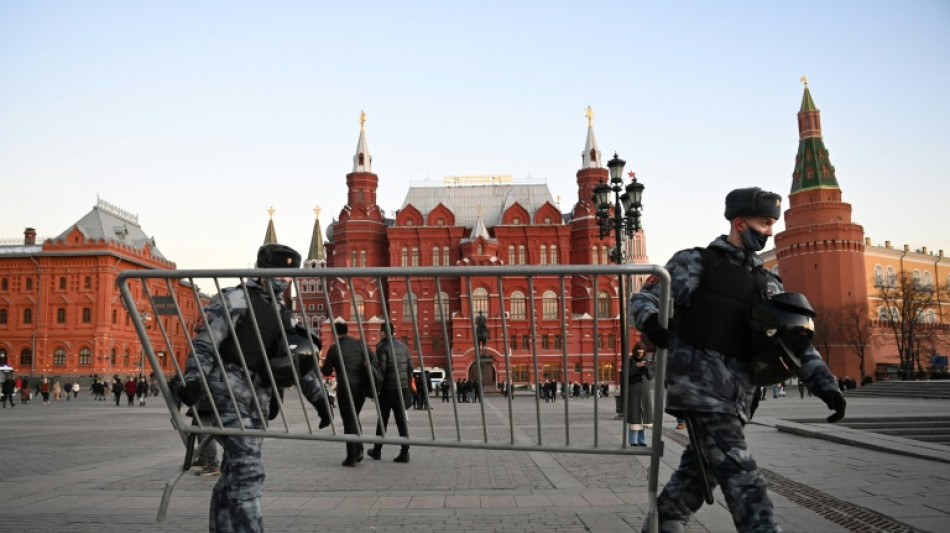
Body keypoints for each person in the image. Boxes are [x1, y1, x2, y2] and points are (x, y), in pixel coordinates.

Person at [629, 187, 847, 533]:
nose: (769, 231)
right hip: (701, 389)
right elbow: (644, 299)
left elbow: (795, 340)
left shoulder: (768, 282)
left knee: (704, 467)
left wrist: (826, 386)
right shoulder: (696, 262)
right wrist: (653, 322)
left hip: (740, 395)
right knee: (742, 476)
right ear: (740, 222)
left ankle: (665, 519)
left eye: (772, 223)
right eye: (763, 223)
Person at [178, 243, 332, 532]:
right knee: (249, 471)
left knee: (234, 473)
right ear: (262, 271)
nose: (284, 281)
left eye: (289, 276)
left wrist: (320, 399)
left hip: (257, 402)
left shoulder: (285, 314)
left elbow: (298, 359)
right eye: (279, 273)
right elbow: (207, 342)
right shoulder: (237, 299)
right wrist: (193, 380)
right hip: (227, 393)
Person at [321, 321, 376, 467]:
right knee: (354, 416)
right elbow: (373, 360)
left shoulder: (334, 348)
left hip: (346, 388)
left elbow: (326, 371)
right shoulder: (360, 344)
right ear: (347, 330)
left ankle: (351, 456)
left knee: (349, 421)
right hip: (361, 388)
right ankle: (359, 449)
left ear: (334, 333)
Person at [367, 323, 412, 463]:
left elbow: (381, 371)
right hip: (402, 388)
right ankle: (405, 452)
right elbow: (410, 369)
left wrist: (377, 389)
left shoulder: (382, 347)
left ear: (383, 333)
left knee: (382, 421)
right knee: (401, 421)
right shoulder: (404, 347)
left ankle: (377, 450)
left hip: (388, 390)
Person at [626, 343, 653, 446]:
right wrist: (637, 368)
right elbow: (628, 375)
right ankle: (633, 440)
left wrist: (645, 369)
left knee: (644, 415)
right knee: (634, 414)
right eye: (638, 353)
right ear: (635, 352)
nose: (640, 355)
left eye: (642, 353)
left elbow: (650, 377)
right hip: (634, 389)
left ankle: (642, 440)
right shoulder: (630, 361)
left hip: (645, 390)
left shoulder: (646, 360)